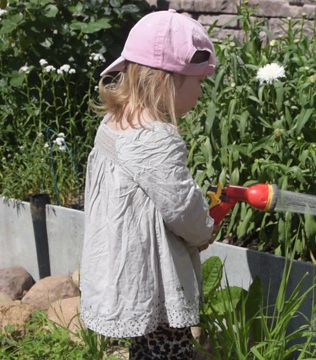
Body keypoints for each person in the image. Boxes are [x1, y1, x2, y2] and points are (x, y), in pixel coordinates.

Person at [79, 9, 217, 360]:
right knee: (169, 350)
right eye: (199, 81)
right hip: (156, 275)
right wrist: (204, 231)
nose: (201, 92)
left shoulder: (114, 122)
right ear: (166, 80)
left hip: (126, 268)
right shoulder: (155, 139)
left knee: (146, 349)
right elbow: (182, 206)